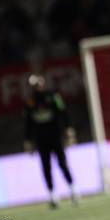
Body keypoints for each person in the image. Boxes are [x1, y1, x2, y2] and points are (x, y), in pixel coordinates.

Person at [23, 74, 79, 209]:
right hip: (41, 139)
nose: (37, 86)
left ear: (42, 83)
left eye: (38, 83)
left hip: (55, 136)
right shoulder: (30, 101)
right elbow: (28, 123)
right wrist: (28, 140)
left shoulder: (53, 96)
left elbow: (63, 113)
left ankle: (73, 191)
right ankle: (53, 196)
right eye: (34, 85)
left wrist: (69, 129)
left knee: (62, 163)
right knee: (46, 167)